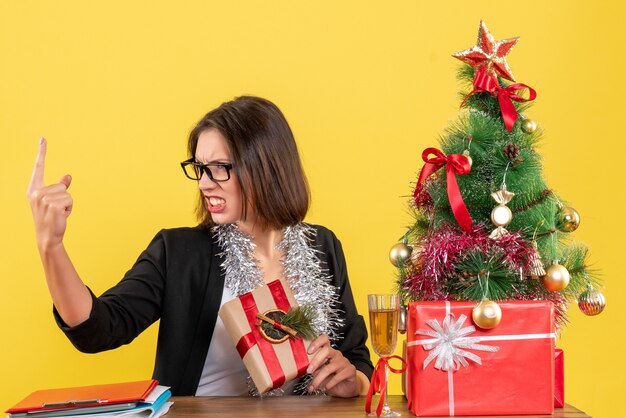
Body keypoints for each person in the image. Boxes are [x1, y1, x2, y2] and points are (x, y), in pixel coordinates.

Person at [26, 96, 373, 397]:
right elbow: (99, 329)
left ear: (265, 166)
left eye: (220, 168)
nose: (205, 184)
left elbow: (357, 360)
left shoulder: (321, 246)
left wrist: (353, 382)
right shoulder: (178, 252)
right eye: (200, 168)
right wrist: (51, 245)